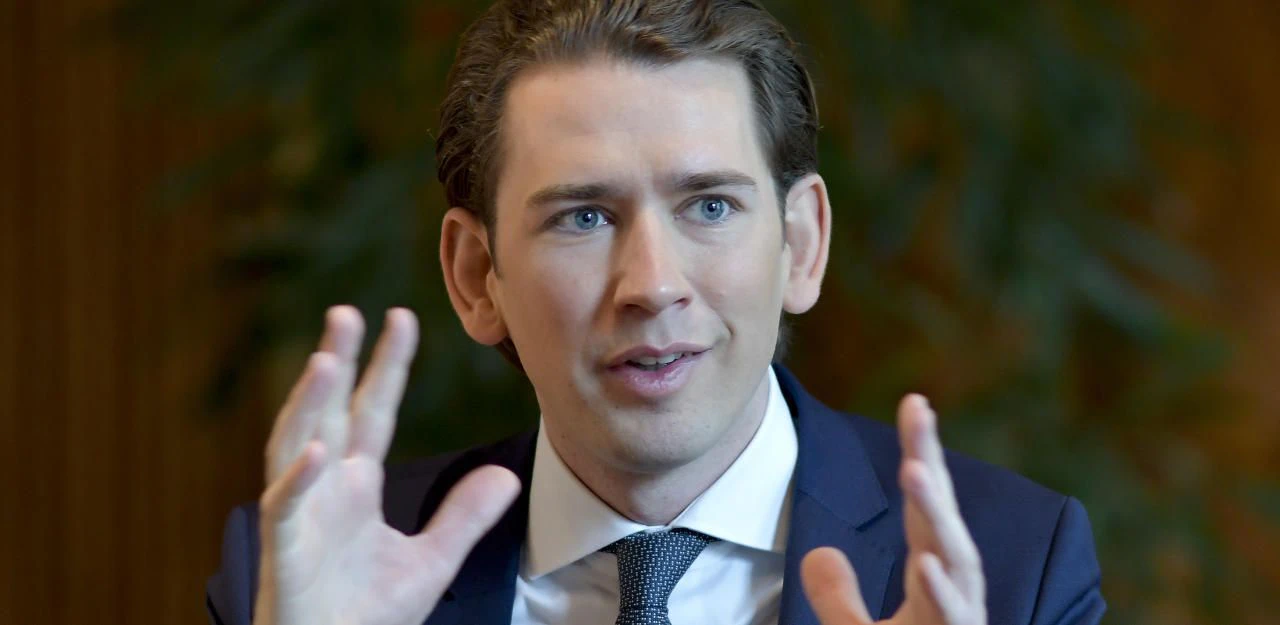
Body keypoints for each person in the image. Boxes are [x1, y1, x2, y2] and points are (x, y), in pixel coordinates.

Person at [206, 1, 1105, 624]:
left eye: (709, 205)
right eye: (583, 217)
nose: (652, 283)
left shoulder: (1014, 567)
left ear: (801, 244)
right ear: (478, 275)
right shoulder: (305, 578)